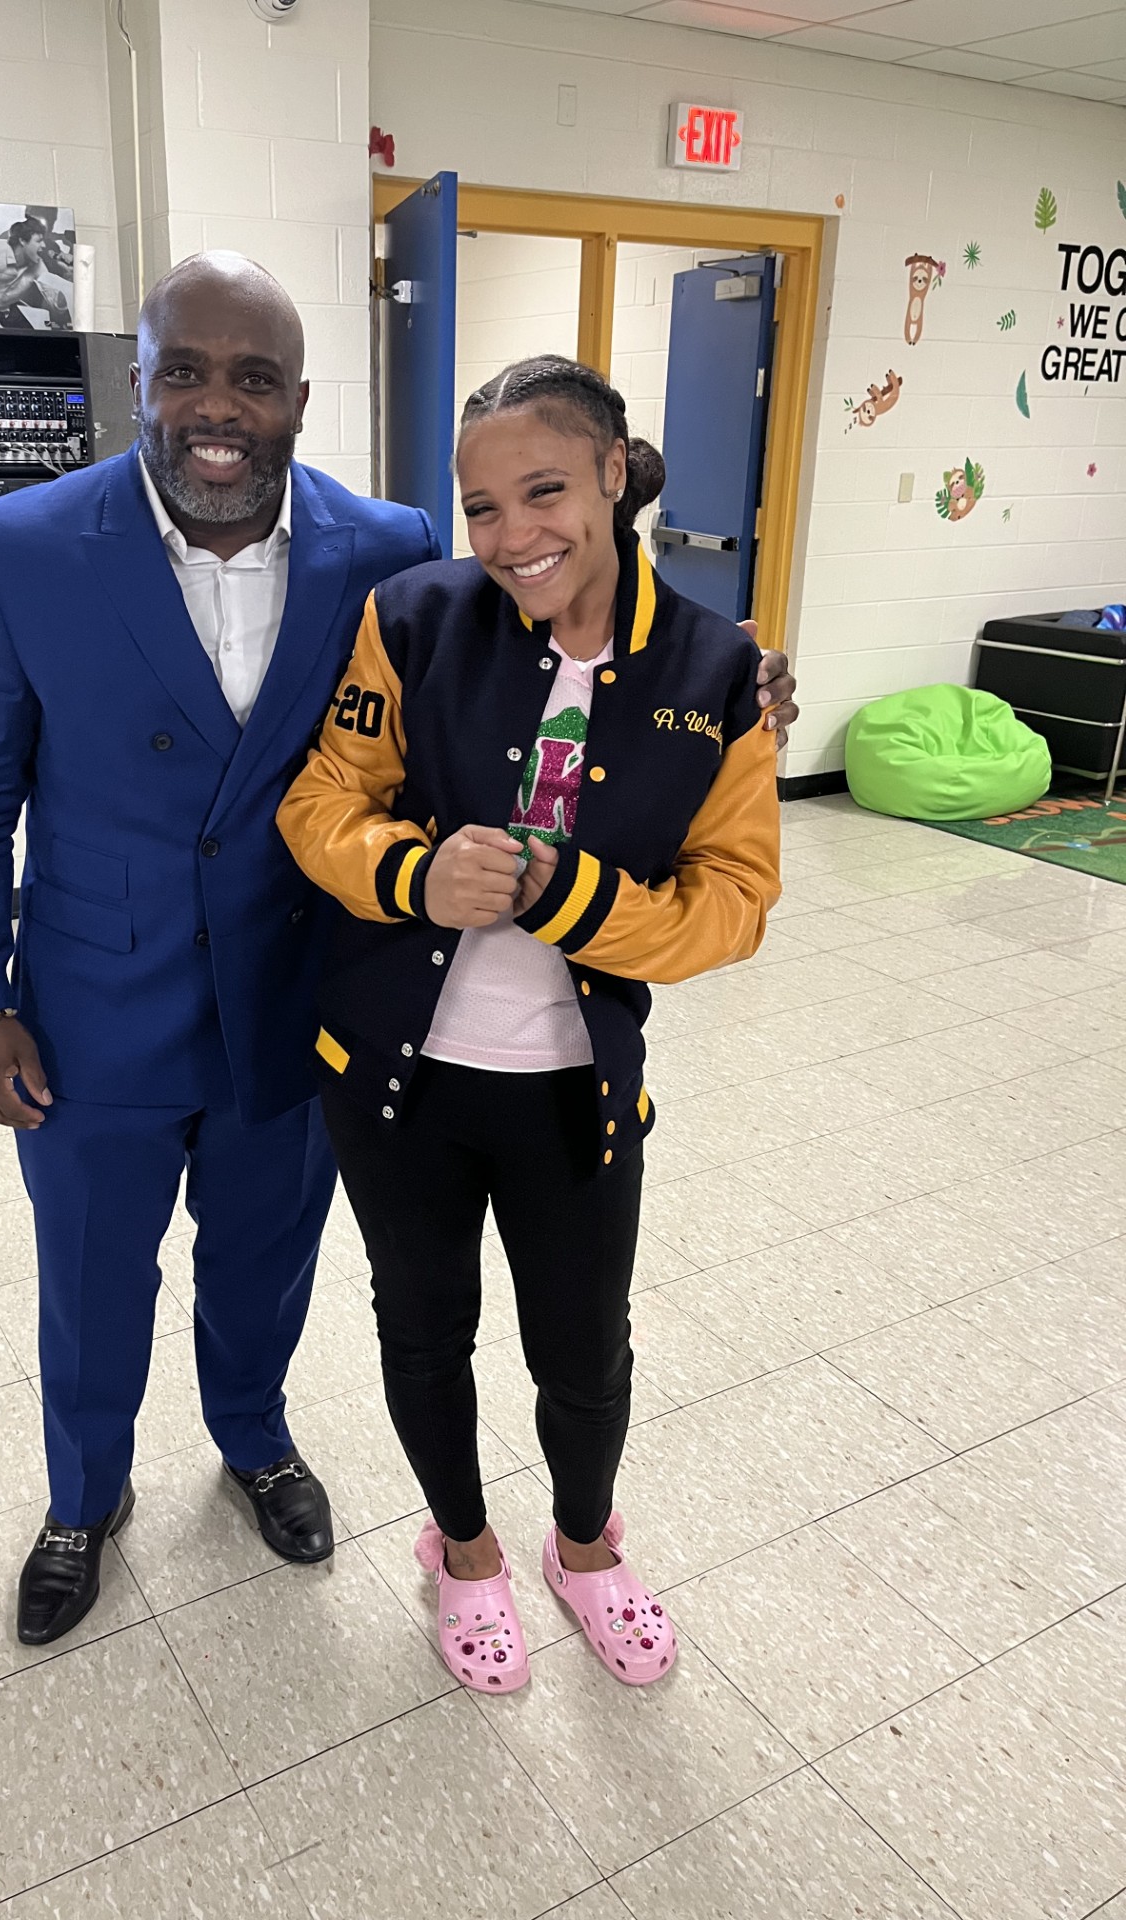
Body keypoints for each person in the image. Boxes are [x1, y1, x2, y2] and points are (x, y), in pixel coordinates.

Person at [0, 257, 800, 1650]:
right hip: (92, 1008)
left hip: (302, 993)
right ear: (137, 382)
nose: (219, 406)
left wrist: (732, 672)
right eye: (185, 371)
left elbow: (550, 611)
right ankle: (82, 1496)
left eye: (254, 379)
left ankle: (255, 1441)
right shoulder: (18, 545)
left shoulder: (386, 549)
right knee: (89, 1273)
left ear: (300, 399)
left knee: (267, 1260)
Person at [277, 355, 781, 1693]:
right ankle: (463, 1550)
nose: (512, 538)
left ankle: (586, 1547)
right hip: (396, 1083)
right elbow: (320, 803)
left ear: (614, 473)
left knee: (584, 1349)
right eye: (482, 507)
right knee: (421, 1329)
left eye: (545, 492)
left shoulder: (720, 670)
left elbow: (734, 903)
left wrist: (579, 902)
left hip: (575, 1091)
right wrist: (409, 873)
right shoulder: (415, 618)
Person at [0, 217, 69, 330]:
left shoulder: (37, 265)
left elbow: (55, 298)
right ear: (22, 241)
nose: (43, 246)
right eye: (38, 241)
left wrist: (68, 282)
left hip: (5, 314)